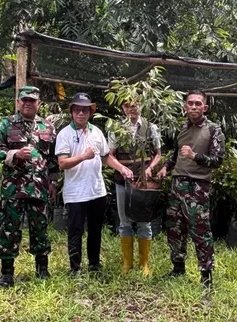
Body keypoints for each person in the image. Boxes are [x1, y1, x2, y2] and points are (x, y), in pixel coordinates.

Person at [56, 92, 133, 274]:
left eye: (85, 110)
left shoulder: (96, 132)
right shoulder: (64, 134)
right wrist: (83, 156)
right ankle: (75, 268)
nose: (81, 114)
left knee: (95, 230)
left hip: (97, 191)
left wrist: (122, 168)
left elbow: (106, 157)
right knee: (75, 231)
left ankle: (94, 264)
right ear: (72, 112)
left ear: (90, 112)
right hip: (75, 193)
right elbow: (62, 163)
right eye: (77, 110)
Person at [156, 90, 225, 289]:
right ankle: (178, 268)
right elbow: (175, 155)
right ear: (185, 106)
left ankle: (206, 276)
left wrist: (196, 156)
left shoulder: (213, 129)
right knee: (174, 228)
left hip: (198, 187)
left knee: (200, 231)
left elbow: (218, 160)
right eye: (190, 103)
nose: (193, 107)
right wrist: (165, 168)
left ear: (205, 108)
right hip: (177, 184)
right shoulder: (182, 128)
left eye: (198, 103)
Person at [0, 86, 57, 285]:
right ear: (19, 102)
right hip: (13, 188)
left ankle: (42, 269)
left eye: (32, 100)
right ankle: (7, 273)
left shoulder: (47, 127)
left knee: (41, 228)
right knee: (9, 228)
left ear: (39, 103)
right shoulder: (6, 124)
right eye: (24, 100)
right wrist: (14, 155)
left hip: (39, 187)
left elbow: (53, 157)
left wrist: (53, 182)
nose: (28, 103)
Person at [108, 100, 162, 276]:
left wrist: (149, 168)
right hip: (122, 181)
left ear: (141, 105)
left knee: (144, 222)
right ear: (122, 108)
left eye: (134, 104)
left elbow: (158, 154)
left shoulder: (150, 127)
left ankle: (144, 264)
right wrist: (121, 168)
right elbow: (109, 155)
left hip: (143, 182)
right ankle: (127, 263)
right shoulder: (116, 128)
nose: (131, 108)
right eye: (126, 105)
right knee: (124, 222)